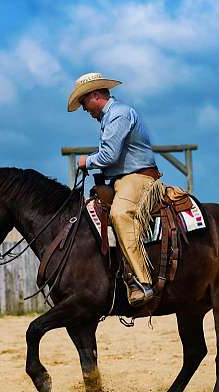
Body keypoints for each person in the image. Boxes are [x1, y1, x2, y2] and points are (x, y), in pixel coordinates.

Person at [68, 72, 164, 307]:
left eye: (83, 102)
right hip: (121, 179)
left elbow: (109, 155)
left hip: (138, 178)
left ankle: (143, 282)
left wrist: (85, 162)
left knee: (120, 215)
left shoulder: (119, 114)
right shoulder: (110, 117)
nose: (84, 109)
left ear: (95, 95)